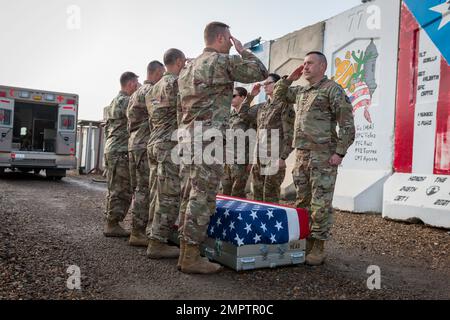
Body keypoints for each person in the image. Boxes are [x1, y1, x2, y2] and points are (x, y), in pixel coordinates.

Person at [177, 21, 268, 274]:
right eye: (229, 38)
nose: (231, 42)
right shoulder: (220, 62)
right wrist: (243, 51)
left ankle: (187, 250)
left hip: (187, 137)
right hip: (209, 139)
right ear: (220, 38)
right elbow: (260, 71)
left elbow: (179, 108)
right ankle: (190, 256)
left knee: (189, 193)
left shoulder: (187, 68)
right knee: (202, 196)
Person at [274, 51, 355, 266]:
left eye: (309, 63)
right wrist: (289, 79)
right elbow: (279, 95)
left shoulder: (332, 90)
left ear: (322, 66)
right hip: (302, 155)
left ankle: (318, 246)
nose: (305, 67)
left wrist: (339, 152)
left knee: (320, 202)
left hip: (323, 156)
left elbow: (347, 124)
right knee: (303, 200)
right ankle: (305, 241)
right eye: (303, 63)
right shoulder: (301, 91)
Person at [145, 49, 186, 259]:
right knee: (169, 195)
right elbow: (184, 113)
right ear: (179, 62)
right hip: (169, 144)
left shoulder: (152, 88)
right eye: (185, 62)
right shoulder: (176, 83)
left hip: (154, 142)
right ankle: (157, 242)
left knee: (156, 192)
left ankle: (152, 233)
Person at [126, 61, 165, 247]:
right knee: (145, 189)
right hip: (144, 143)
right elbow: (159, 115)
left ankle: (137, 230)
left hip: (134, 143)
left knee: (139, 189)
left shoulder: (135, 94)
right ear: (157, 72)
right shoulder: (151, 91)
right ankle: (138, 232)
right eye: (162, 73)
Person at [243, 74, 295, 203]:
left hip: (274, 157)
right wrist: (251, 96)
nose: (264, 86)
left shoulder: (284, 105)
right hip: (260, 157)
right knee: (257, 195)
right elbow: (243, 114)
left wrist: (283, 157)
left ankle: (271, 223)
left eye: (268, 83)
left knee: (270, 196)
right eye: (264, 83)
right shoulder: (262, 107)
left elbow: (290, 133)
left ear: (277, 85)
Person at [103, 72, 140, 237]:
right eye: (137, 84)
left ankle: (111, 221)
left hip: (112, 148)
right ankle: (112, 224)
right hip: (120, 150)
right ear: (131, 84)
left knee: (114, 187)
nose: (138, 87)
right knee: (121, 188)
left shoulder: (114, 101)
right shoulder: (126, 101)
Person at [220, 86, 255, 198]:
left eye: (234, 96)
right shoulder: (229, 115)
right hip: (227, 160)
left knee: (237, 193)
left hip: (241, 161)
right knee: (225, 191)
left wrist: (250, 161)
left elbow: (253, 138)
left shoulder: (249, 115)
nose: (231, 98)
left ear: (243, 97)